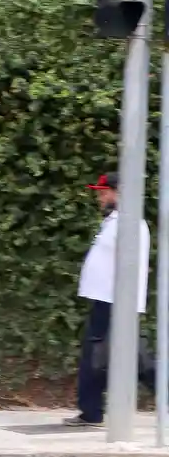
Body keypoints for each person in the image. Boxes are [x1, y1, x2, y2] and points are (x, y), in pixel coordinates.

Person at [65, 171, 157, 426]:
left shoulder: (129, 224)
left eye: (104, 193)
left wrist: (126, 303)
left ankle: (91, 412)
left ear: (120, 193)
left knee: (114, 358)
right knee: (126, 358)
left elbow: (132, 266)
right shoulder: (116, 222)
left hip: (116, 302)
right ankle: (91, 411)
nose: (100, 198)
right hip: (107, 300)